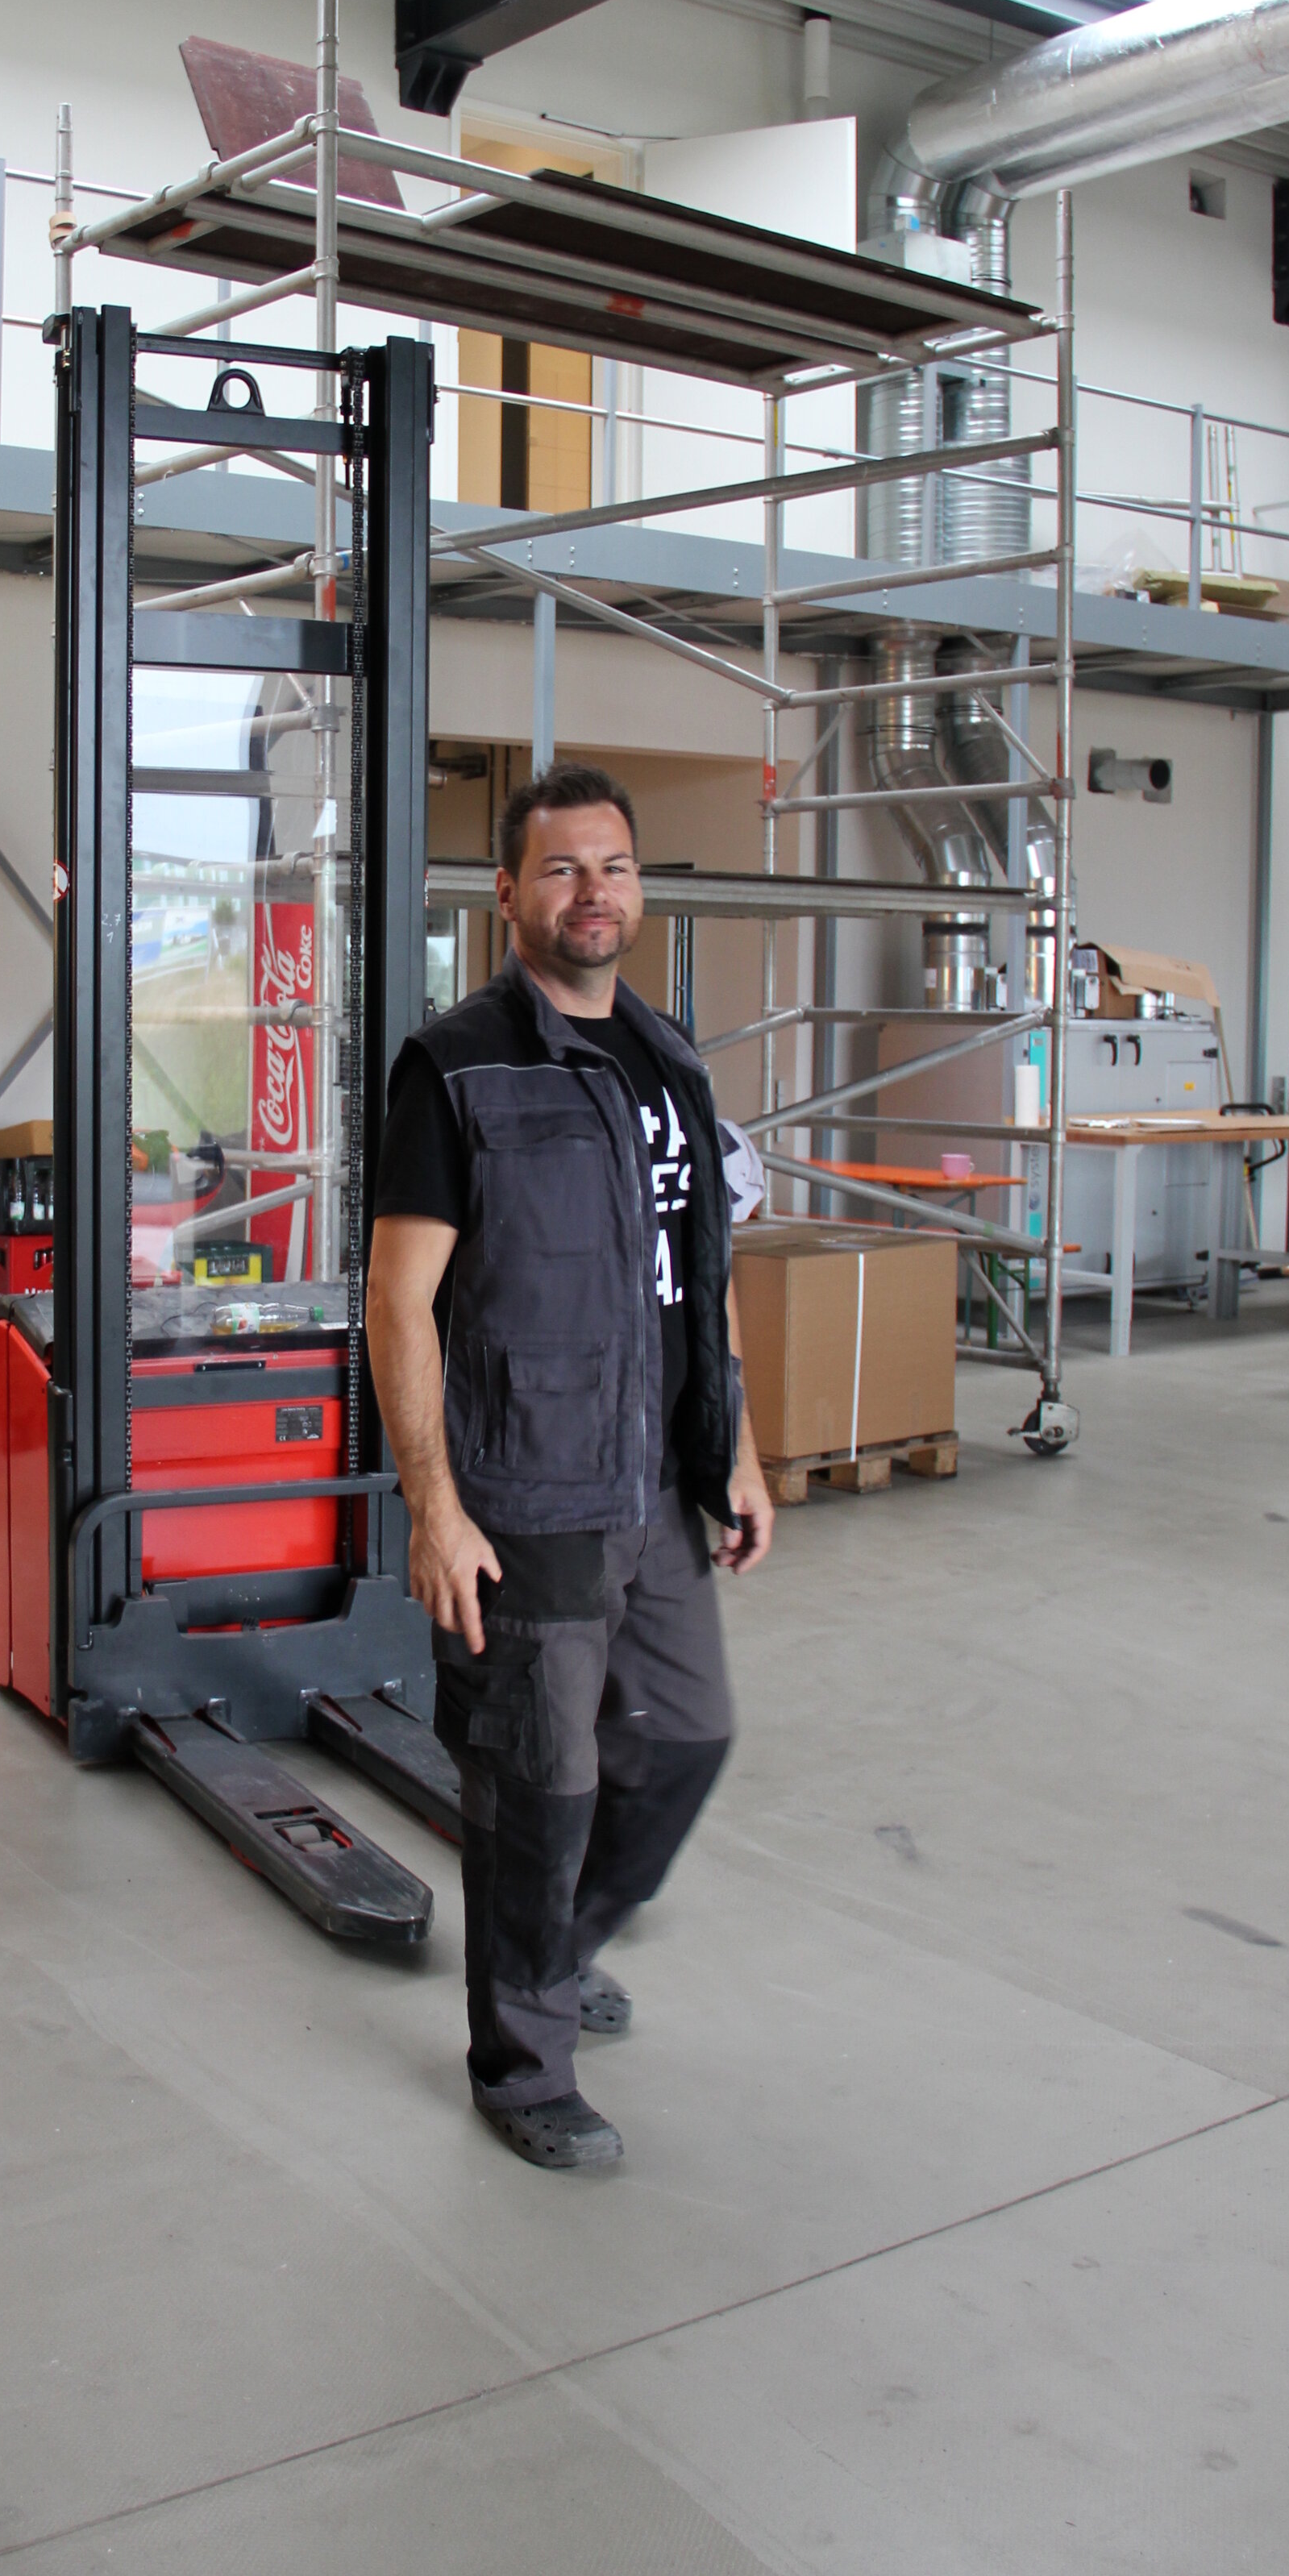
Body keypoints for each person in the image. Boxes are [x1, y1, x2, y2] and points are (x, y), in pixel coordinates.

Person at [366, 761, 774, 2172]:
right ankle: (524, 2066)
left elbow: (701, 1278)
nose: (592, 892)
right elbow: (399, 1303)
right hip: (528, 1486)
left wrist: (740, 1450)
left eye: (614, 866)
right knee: (539, 1785)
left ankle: (553, 1947)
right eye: (561, 868)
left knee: (684, 1738)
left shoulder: (671, 1062)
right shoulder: (457, 1066)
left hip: (654, 1478)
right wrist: (434, 1507)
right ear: (508, 894)